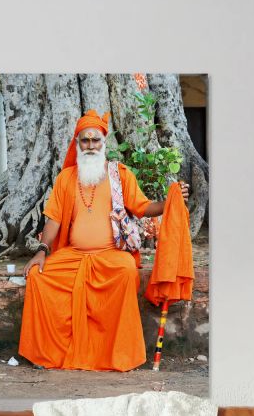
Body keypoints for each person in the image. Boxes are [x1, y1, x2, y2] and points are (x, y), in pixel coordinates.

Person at [18, 110, 189, 372]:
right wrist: (42, 250)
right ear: (77, 144)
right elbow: (53, 221)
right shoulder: (66, 178)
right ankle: (46, 353)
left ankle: (115, 355)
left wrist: (170, 202)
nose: (90, 146)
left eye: (95, 140)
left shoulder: (119, 175)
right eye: (85, 141)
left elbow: (142, 207)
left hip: (110, 256)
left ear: (103, 143)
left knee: (125, 271)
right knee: (39, 277)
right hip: (73, 256)